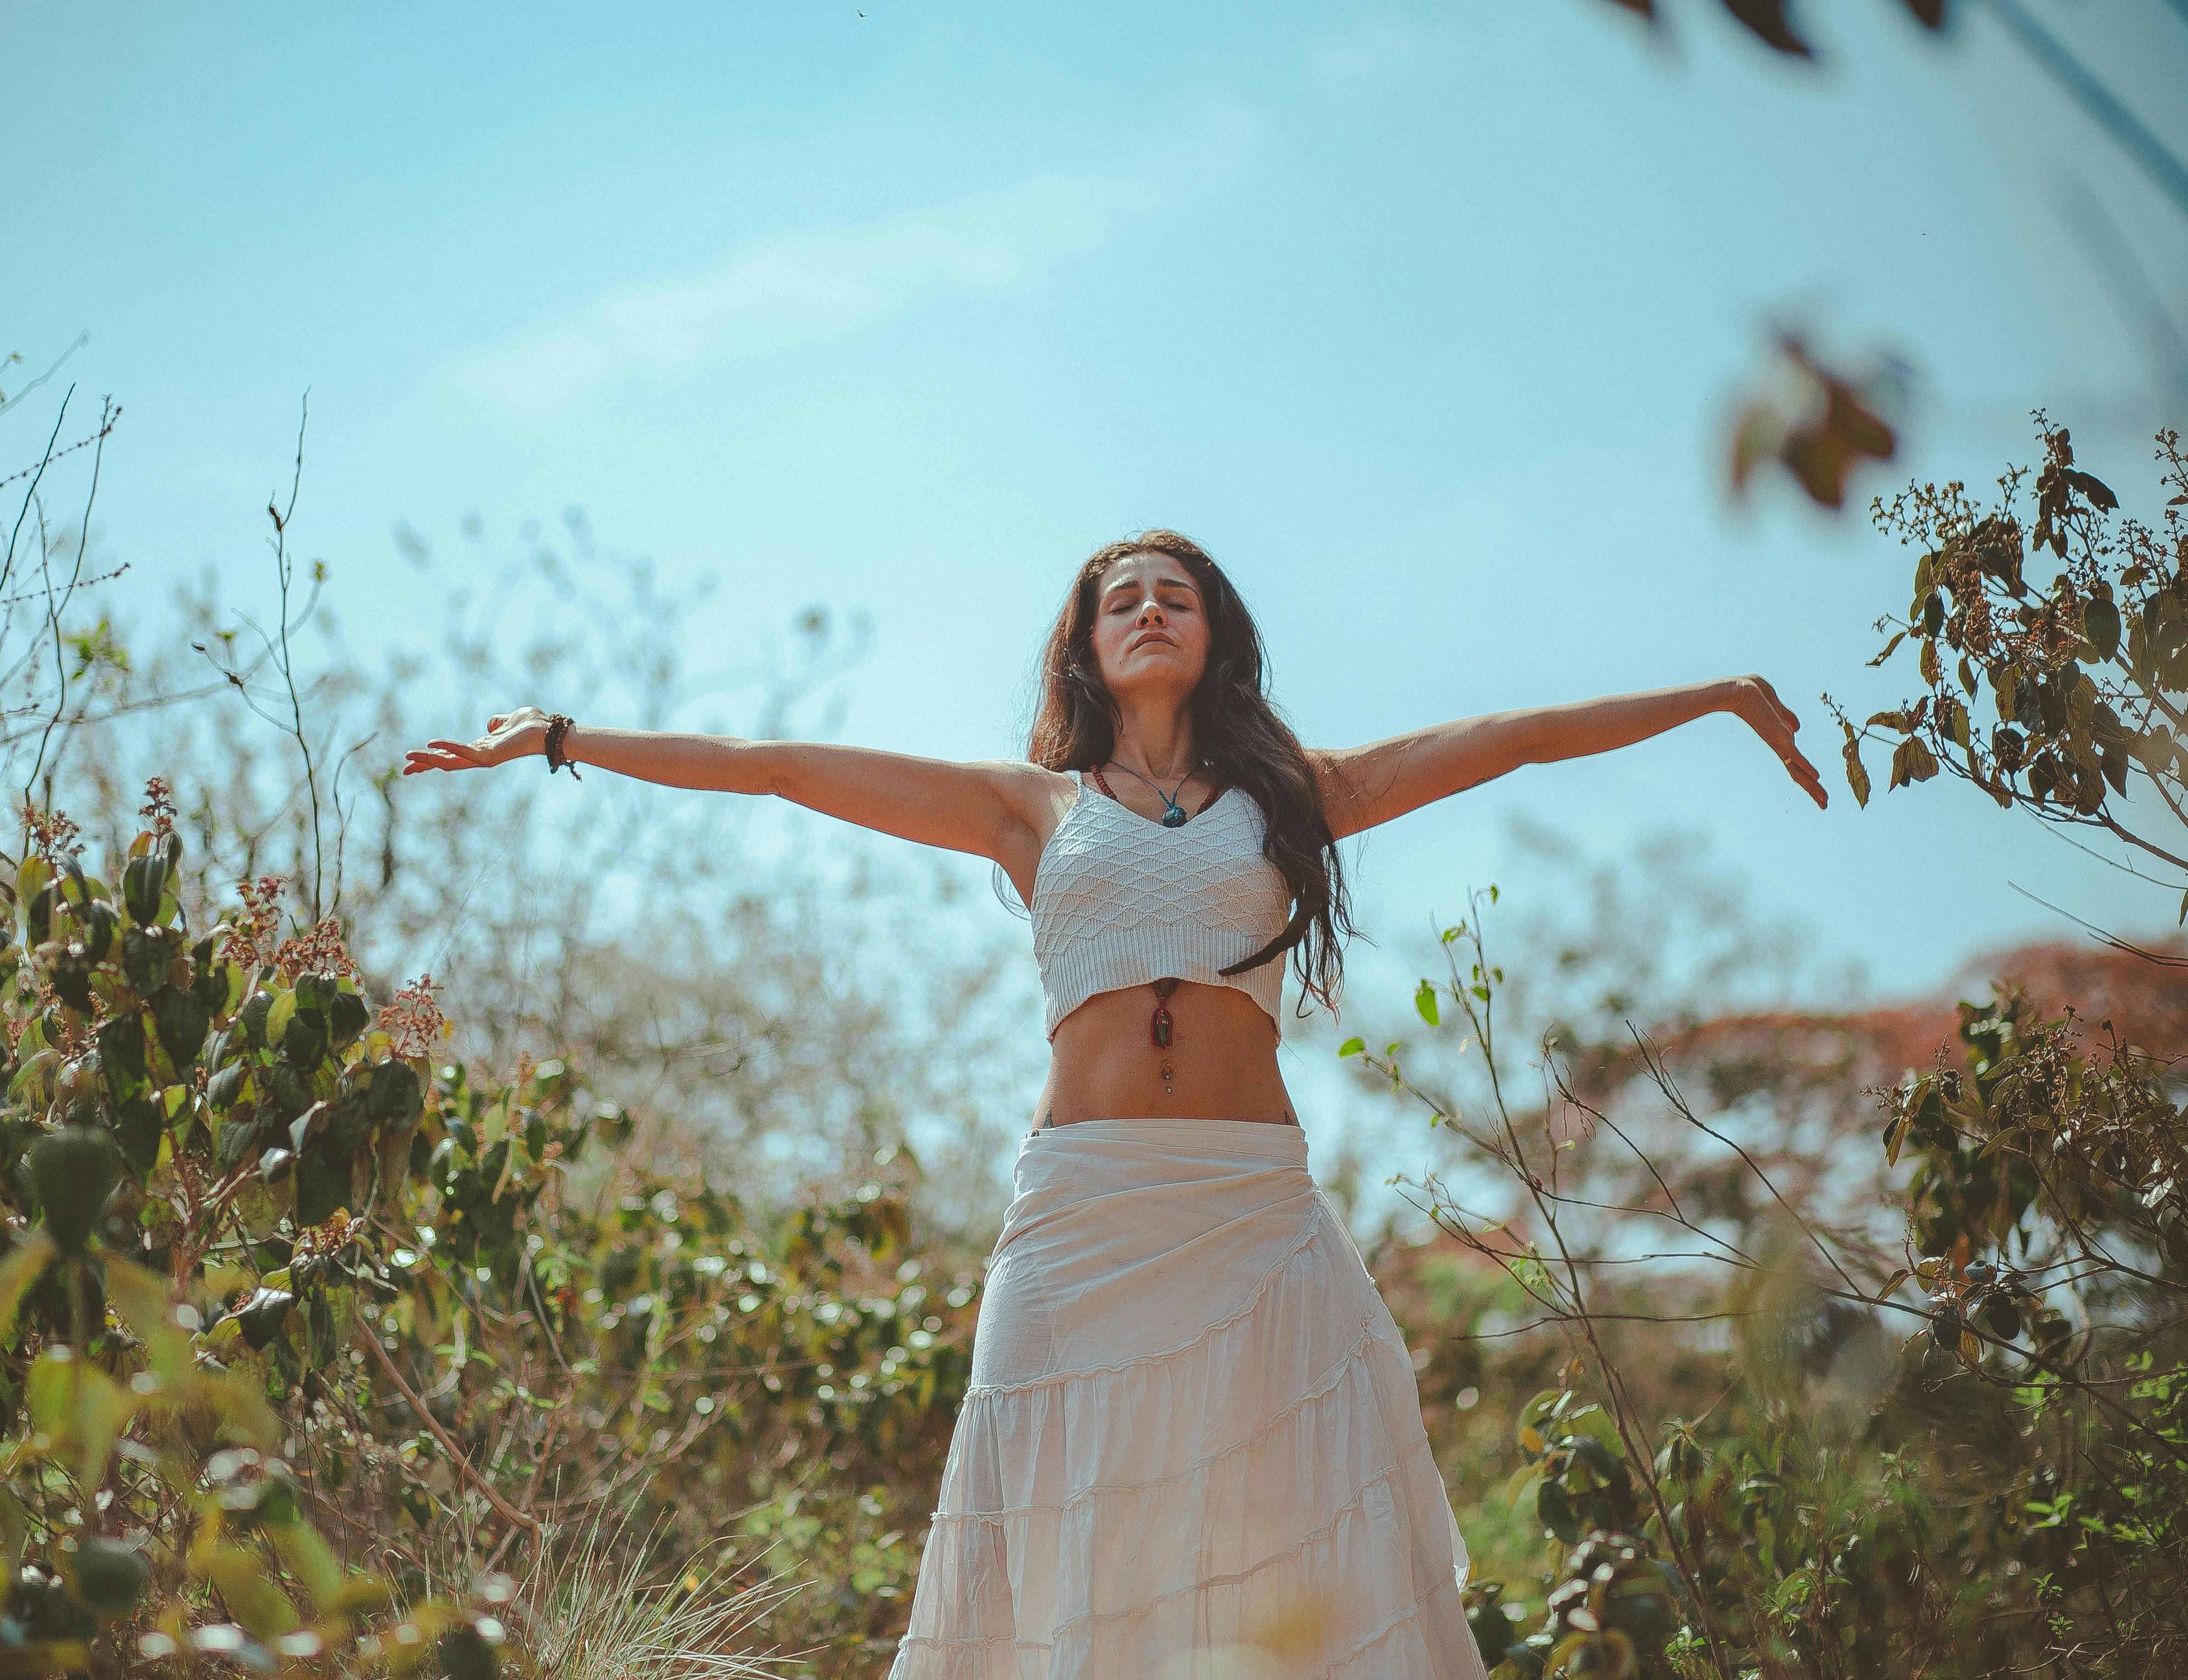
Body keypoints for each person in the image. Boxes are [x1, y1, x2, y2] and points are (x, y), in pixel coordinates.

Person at [403, 530, 1825, 1679]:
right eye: (1122, 600)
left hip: (1249, 1212)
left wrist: (1707, 698)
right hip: (1081, 1216)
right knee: (1052, 1531)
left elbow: (1509, 737)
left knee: (1285, 1537)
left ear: (1217, 635)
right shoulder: (1028, 808)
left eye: (1178, 597)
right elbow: (779, 769)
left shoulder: (1296, 797)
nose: (1150, 612)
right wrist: (564, 739)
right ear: (1086, 644)